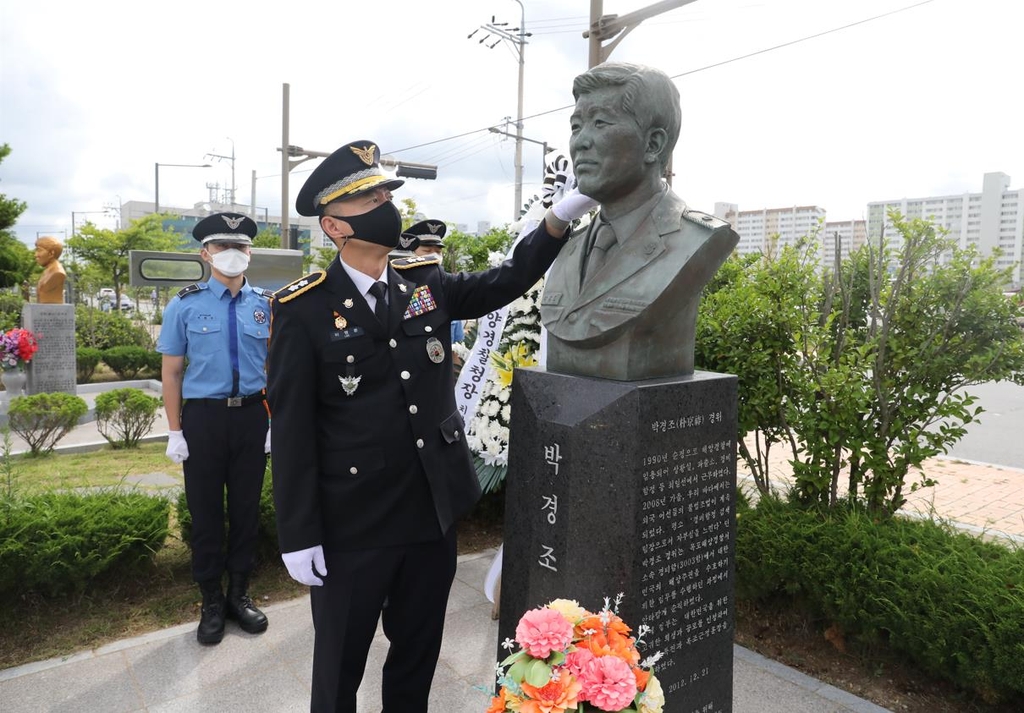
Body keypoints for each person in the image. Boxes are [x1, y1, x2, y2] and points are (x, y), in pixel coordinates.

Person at [267, 139, 593, 712]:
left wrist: (558, 219)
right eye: (367, 197)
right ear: (334, 226)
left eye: (385, 192)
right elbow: (293, 429)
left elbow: (504, 281)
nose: (386, 203)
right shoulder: (304, 309)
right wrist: (298, 533)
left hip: (428, 514)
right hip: (353, 525)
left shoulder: (424, 282)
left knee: (416, 656)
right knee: (338, 668)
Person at [540, 62, 740, 381]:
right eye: (576, 126)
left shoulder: (694, 239)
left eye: (601, 123)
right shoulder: (571, 247)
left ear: (653, 145)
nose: (580, 142)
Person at [157, 212, 273, 646]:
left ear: (250, 252)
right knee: (206, 512)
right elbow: (171, 373)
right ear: (205, 254)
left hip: (251, 417)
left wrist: (272, 422)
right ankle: (209, 600)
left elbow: (273, 368)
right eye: (222, 247)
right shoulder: (184, 305)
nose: (232, 254)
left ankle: (239, 594)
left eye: (240, 247)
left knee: (245, 510)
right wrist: (174, 431)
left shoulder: (265, 303)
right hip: (203, 419)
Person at [399, 219, 465, 345]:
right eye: (427, 251)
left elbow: (456, 348)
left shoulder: (447, 290)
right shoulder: (398, 290)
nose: (434, 256)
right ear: (410, 254)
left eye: (438, 251)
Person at [34, 236, 66, 304]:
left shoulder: (57, 273)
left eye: (39, 250)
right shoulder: (47, 271)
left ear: (51, 253)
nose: (36, 255)